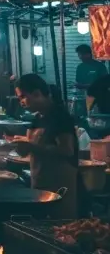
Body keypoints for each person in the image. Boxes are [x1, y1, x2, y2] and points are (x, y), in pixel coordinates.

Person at [11, 74, 80, 219]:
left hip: (61, 188)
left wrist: (31, 146)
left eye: (23, 96)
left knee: (60, 229)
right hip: (40, 184)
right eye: (19, 98)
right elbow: (31, 148)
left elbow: (67, 150)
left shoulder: (60, 116)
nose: (21, 102)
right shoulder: (37, 119)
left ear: (37, 93)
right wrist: (21, 146)